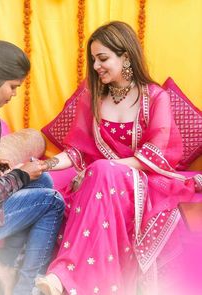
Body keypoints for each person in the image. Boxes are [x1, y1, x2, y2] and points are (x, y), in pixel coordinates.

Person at [34, 21, 201, 295]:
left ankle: (62, 276)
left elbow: (153, 154)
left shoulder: (156, 97)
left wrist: (104, 168)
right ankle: (70, 279)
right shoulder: (92, 98)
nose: (96, 66)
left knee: (100, 172)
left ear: (125, 56)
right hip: (101, 182)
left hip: (143, 180)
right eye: (93, 60)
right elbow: (77, 151)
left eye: (103, 58)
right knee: (94, 177)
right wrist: (46, 164)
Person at [0, 40, 65, 295]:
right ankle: (26, 289)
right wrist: (20, 174)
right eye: (13, 86)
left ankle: (5, 264)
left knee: (41, 183)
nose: (14, 94)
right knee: (52, 201)